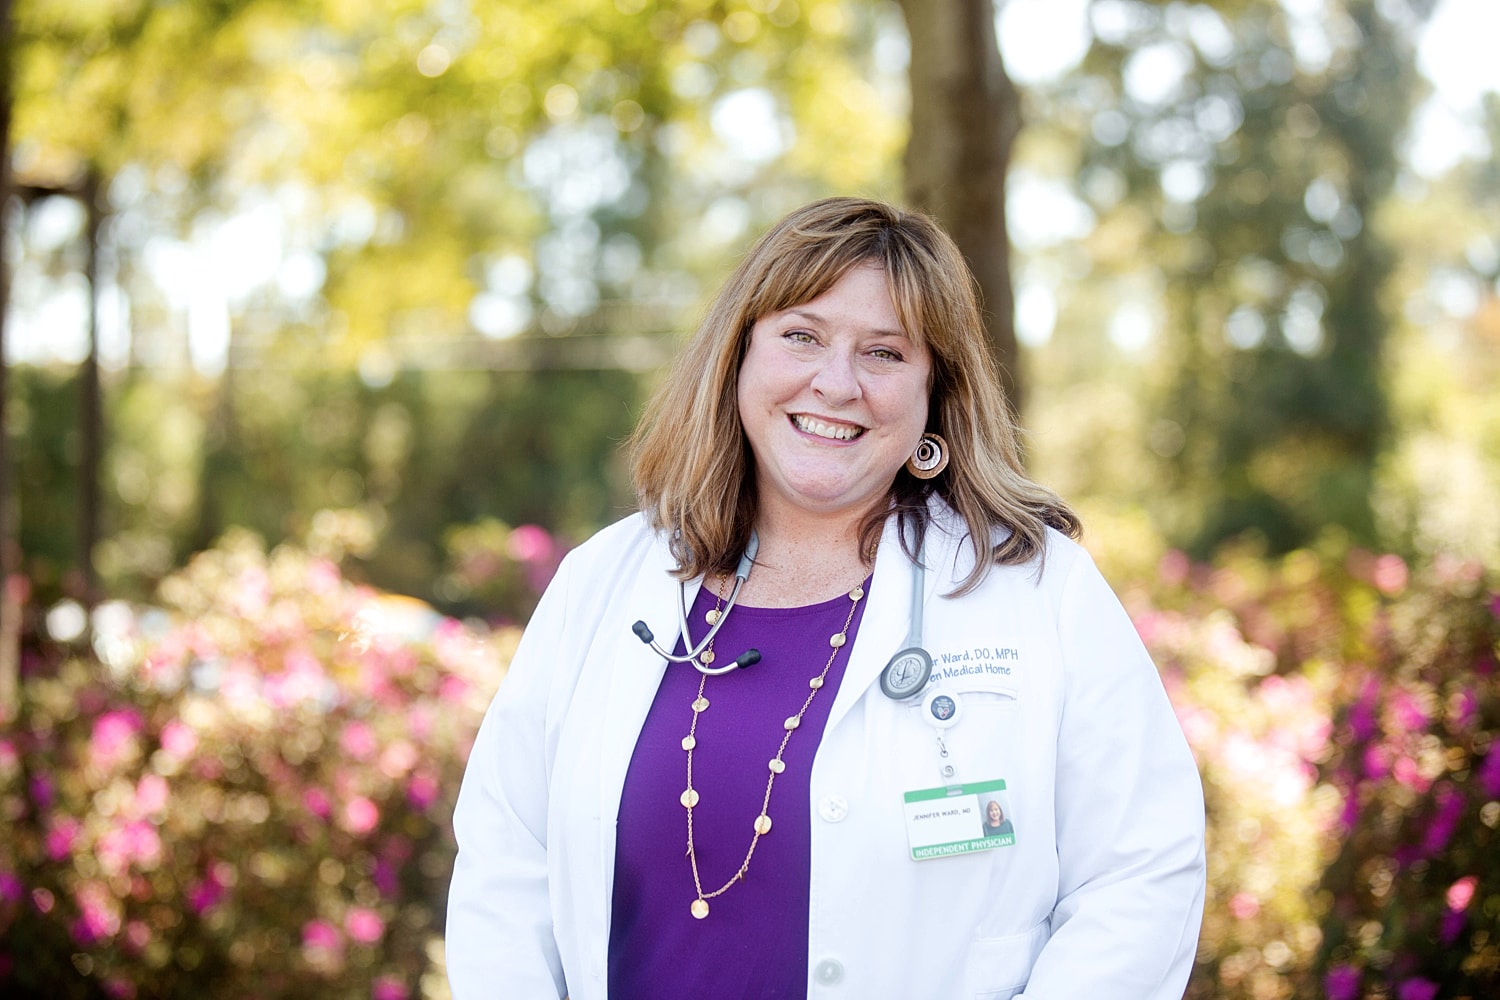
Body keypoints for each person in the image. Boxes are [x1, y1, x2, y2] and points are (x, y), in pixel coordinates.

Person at [446, 198, 1206, 999]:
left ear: (932, 397)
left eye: (884, 353)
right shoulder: (602, 582)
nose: (836, 383)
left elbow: (1141, 870)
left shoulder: (1035, 586)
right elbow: (505, 863)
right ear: (739, 357)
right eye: (801, 336)